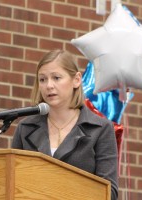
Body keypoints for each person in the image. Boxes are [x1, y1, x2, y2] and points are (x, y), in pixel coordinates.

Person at [12, 49, 118, 200]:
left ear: (76, 80)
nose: (49, 85)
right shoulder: (25, 128)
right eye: (42, 79)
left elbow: (109, 192)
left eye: (56, 78)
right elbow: (12, 180)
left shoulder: (100, 129)